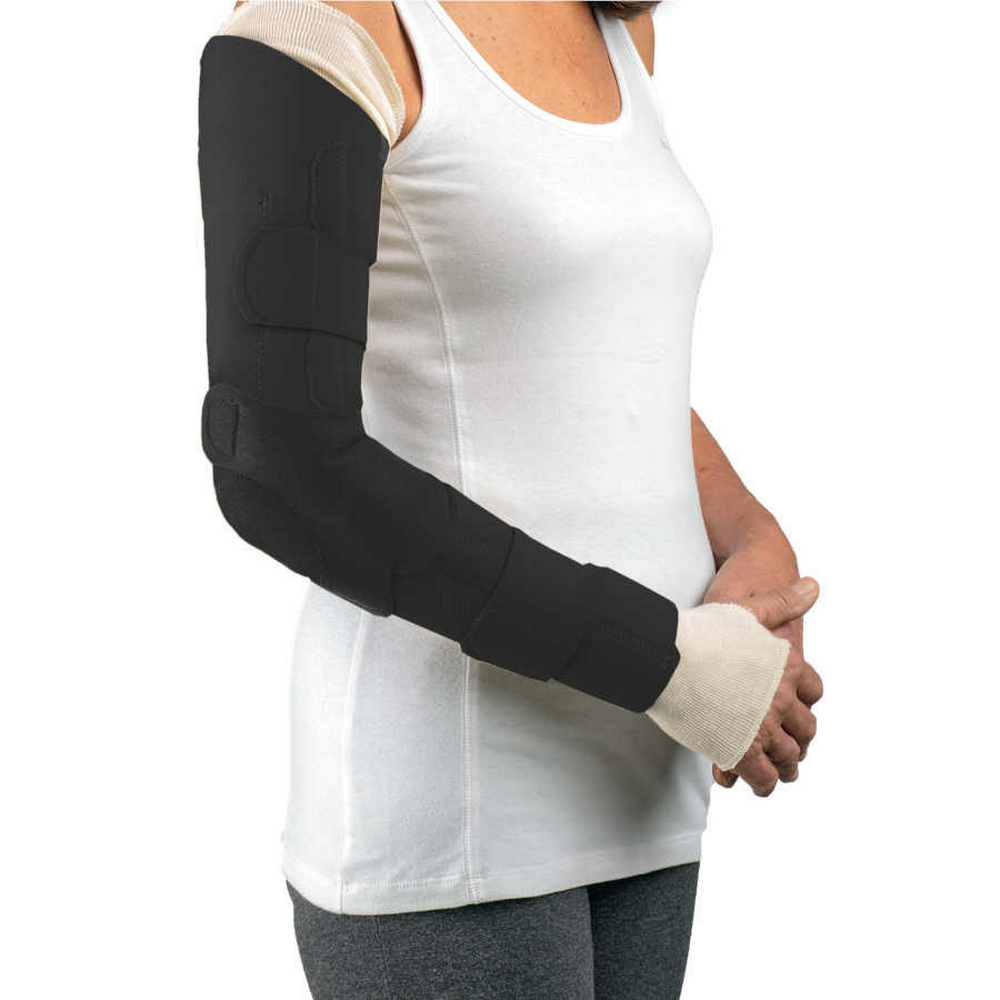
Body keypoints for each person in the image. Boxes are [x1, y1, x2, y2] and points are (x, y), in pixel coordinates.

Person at [198, 2, 824, 996]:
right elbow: (280, 464)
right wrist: (665, 661)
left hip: (647, 773)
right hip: (455, 804)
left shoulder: (614, 31)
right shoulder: (328, 21)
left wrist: (756, 542)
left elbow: (600, 362)